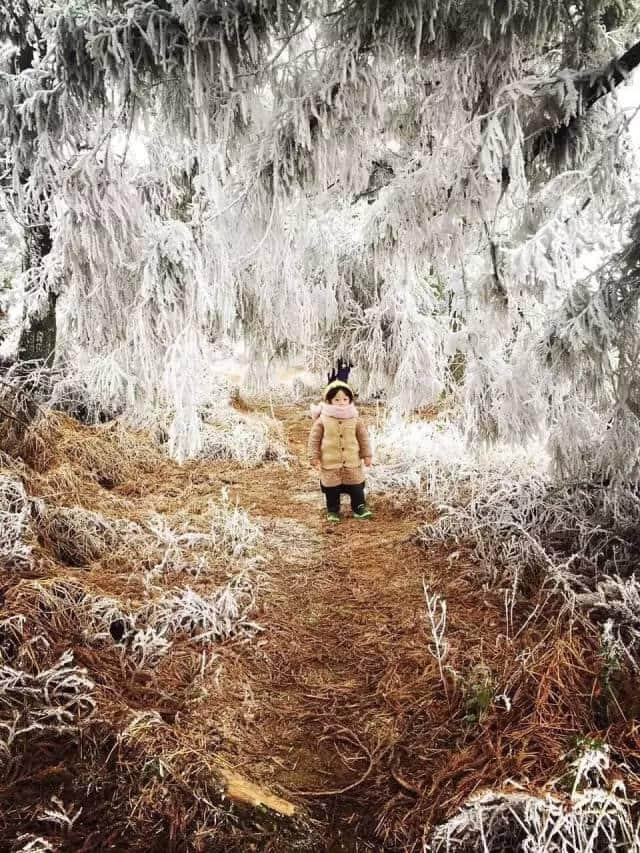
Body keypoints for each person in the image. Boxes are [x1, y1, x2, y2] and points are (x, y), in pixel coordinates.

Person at [308, 379, 373, 523]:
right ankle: (332, 510)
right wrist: (314, 456)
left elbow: (363, 438)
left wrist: (367, 455)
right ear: (329, 401)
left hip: (352, 461)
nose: (342, 402)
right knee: (332, 489)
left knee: (356, 486)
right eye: (337, 399)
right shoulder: (322, 420)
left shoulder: (355, 419)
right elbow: (314, 440)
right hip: (330, 463)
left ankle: (359, 508)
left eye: (345, 399)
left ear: (350, 400)